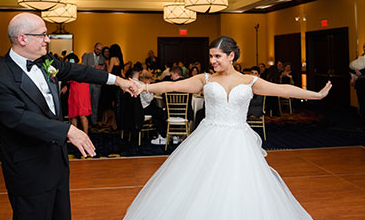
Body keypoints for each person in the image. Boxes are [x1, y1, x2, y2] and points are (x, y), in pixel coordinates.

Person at [124, 36, 331, 220]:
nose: (213, 61)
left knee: (238, 187)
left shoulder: (250, 81)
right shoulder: (205, 79)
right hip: (209, 139)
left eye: (217, 56)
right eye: (211, 56)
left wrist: (316, 94)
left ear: (231, 56)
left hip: (239, 142)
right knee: (202, 186)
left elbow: (282, 89)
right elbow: (172, 86)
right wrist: (146, 87)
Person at [0, 12, 139, 220]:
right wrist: (68, 130)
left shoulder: (45, 60)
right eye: (43, 35)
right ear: (22, 38)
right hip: (30, 169)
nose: (48, 39)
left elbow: (78, 71)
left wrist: (117, 80)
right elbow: (20, 119)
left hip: (58, 163)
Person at [82, 43, 105, 126]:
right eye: (97, 49)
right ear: (94, 48)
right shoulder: (87, 55)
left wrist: (102, 69)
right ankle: (85, 121)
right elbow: (83, 67)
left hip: (97, 84)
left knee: (95, 104)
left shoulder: (103, 58)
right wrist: (93, 66)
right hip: (87, 83)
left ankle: (94, 121)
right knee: (86, 103)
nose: (99, 51)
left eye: (100, 50)